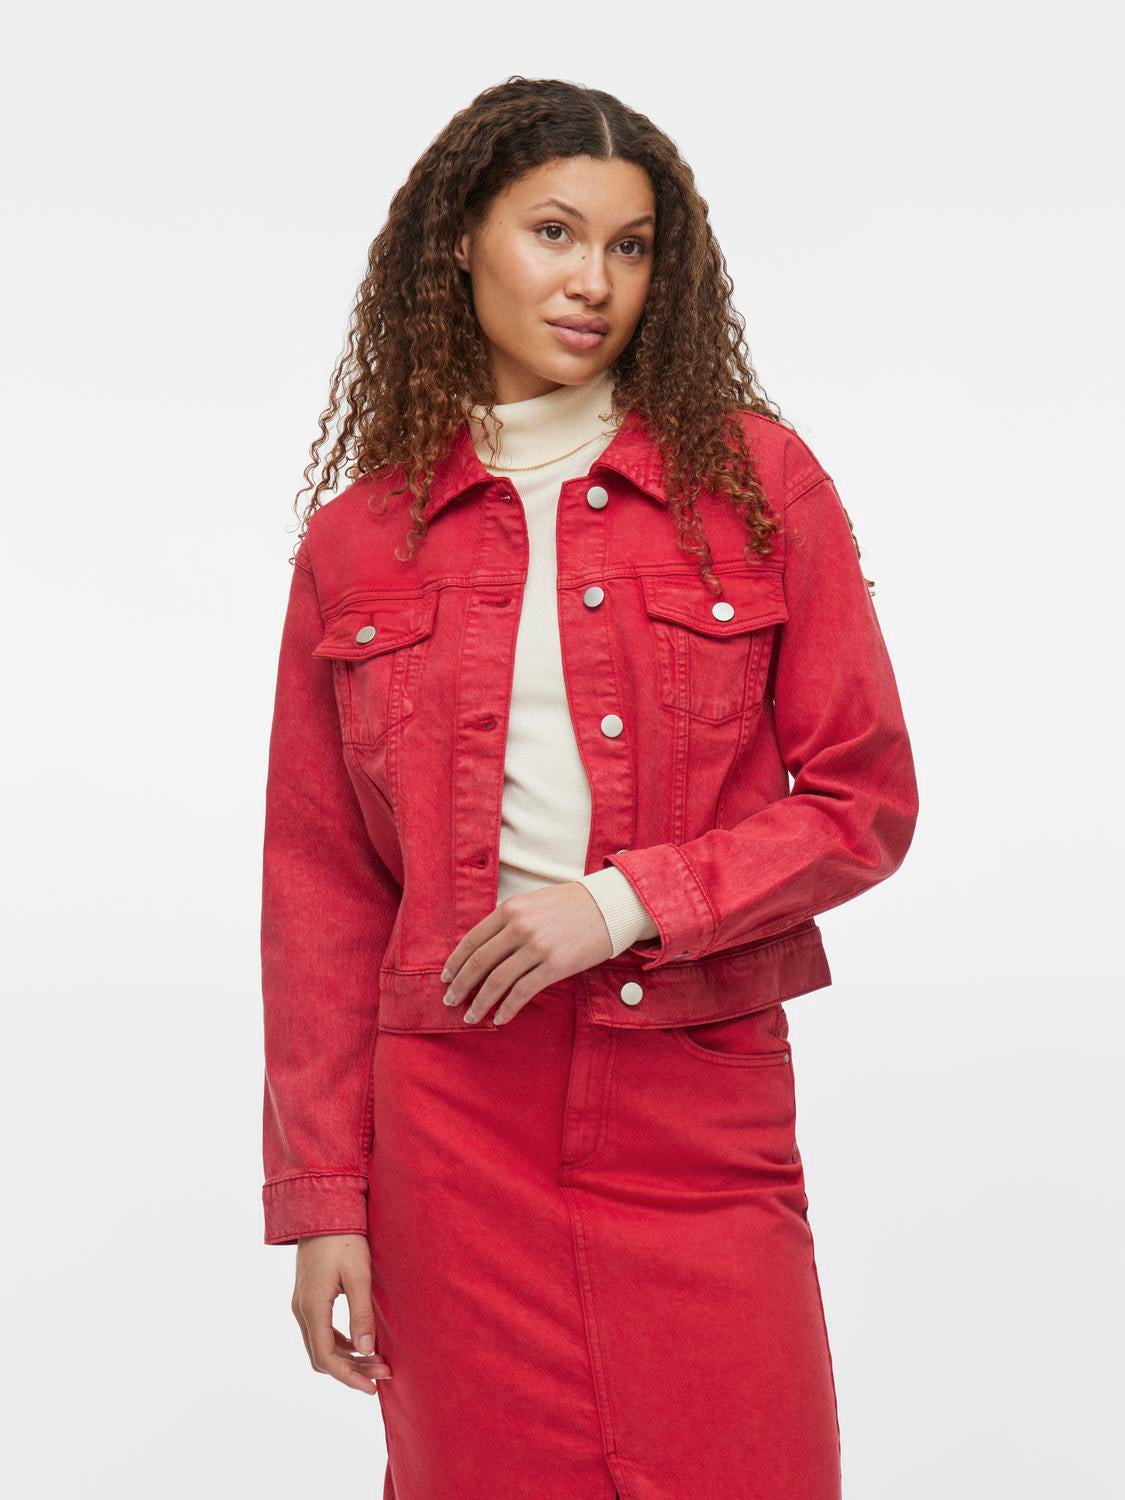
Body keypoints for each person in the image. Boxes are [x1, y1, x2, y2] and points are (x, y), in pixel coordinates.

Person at [259, 75, 919, 1500]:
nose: (593, 282)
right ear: (458, 240)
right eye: (554, 232)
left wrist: (620, 904)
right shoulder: (359, 541)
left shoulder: (755, 484)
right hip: (450, 1118)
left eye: (630, 247)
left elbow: (860, 801)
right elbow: (320, 891)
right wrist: (323, 1202)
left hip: (693, 1092)